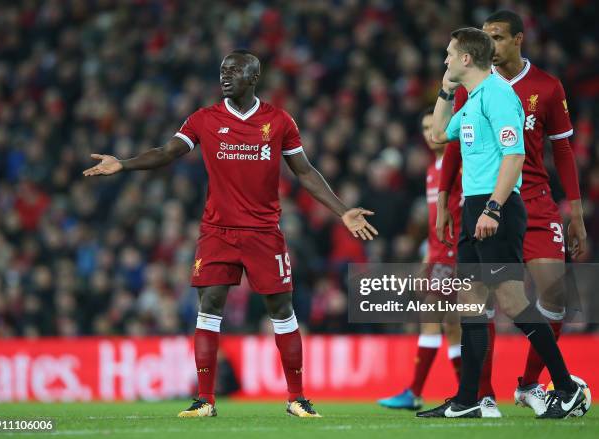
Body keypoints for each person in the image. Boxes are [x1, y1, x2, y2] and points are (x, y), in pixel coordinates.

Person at [83, 49, 378, 418]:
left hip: (263, 231)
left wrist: (342, 210)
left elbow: (304, 171)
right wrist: (123, 164)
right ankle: (205, 400)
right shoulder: (205, 119)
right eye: (223, 69)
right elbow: (168, 151)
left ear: (253, 77)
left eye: (235, 70)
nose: (226, 75)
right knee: (209, 308)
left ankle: (296, 398)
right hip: (217, 231)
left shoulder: (279, 120)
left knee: (282, 309)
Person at [417, 27, 586, 419]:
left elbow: (514, 155)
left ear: (465, 59)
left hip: (498, 208)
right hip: (472, 207)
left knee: (511, 300)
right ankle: (469, 400)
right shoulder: (473, 99)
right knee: (471, 305)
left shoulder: (499, 97)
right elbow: (441, 133)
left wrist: (493, 208)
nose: (443, 61)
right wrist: (444, 91)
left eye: (448, 54)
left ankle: (564, 386)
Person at [377, 108, 463, 411]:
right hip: (438, 256)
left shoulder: (459, 165)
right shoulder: (432, 169)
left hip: (454, 257)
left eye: (434, 126)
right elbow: (432, 223)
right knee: (452, 328)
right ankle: (472, 393)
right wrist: (427, 256)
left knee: (429, 321)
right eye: (425, 128)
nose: (430, 133)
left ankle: (414, 391)